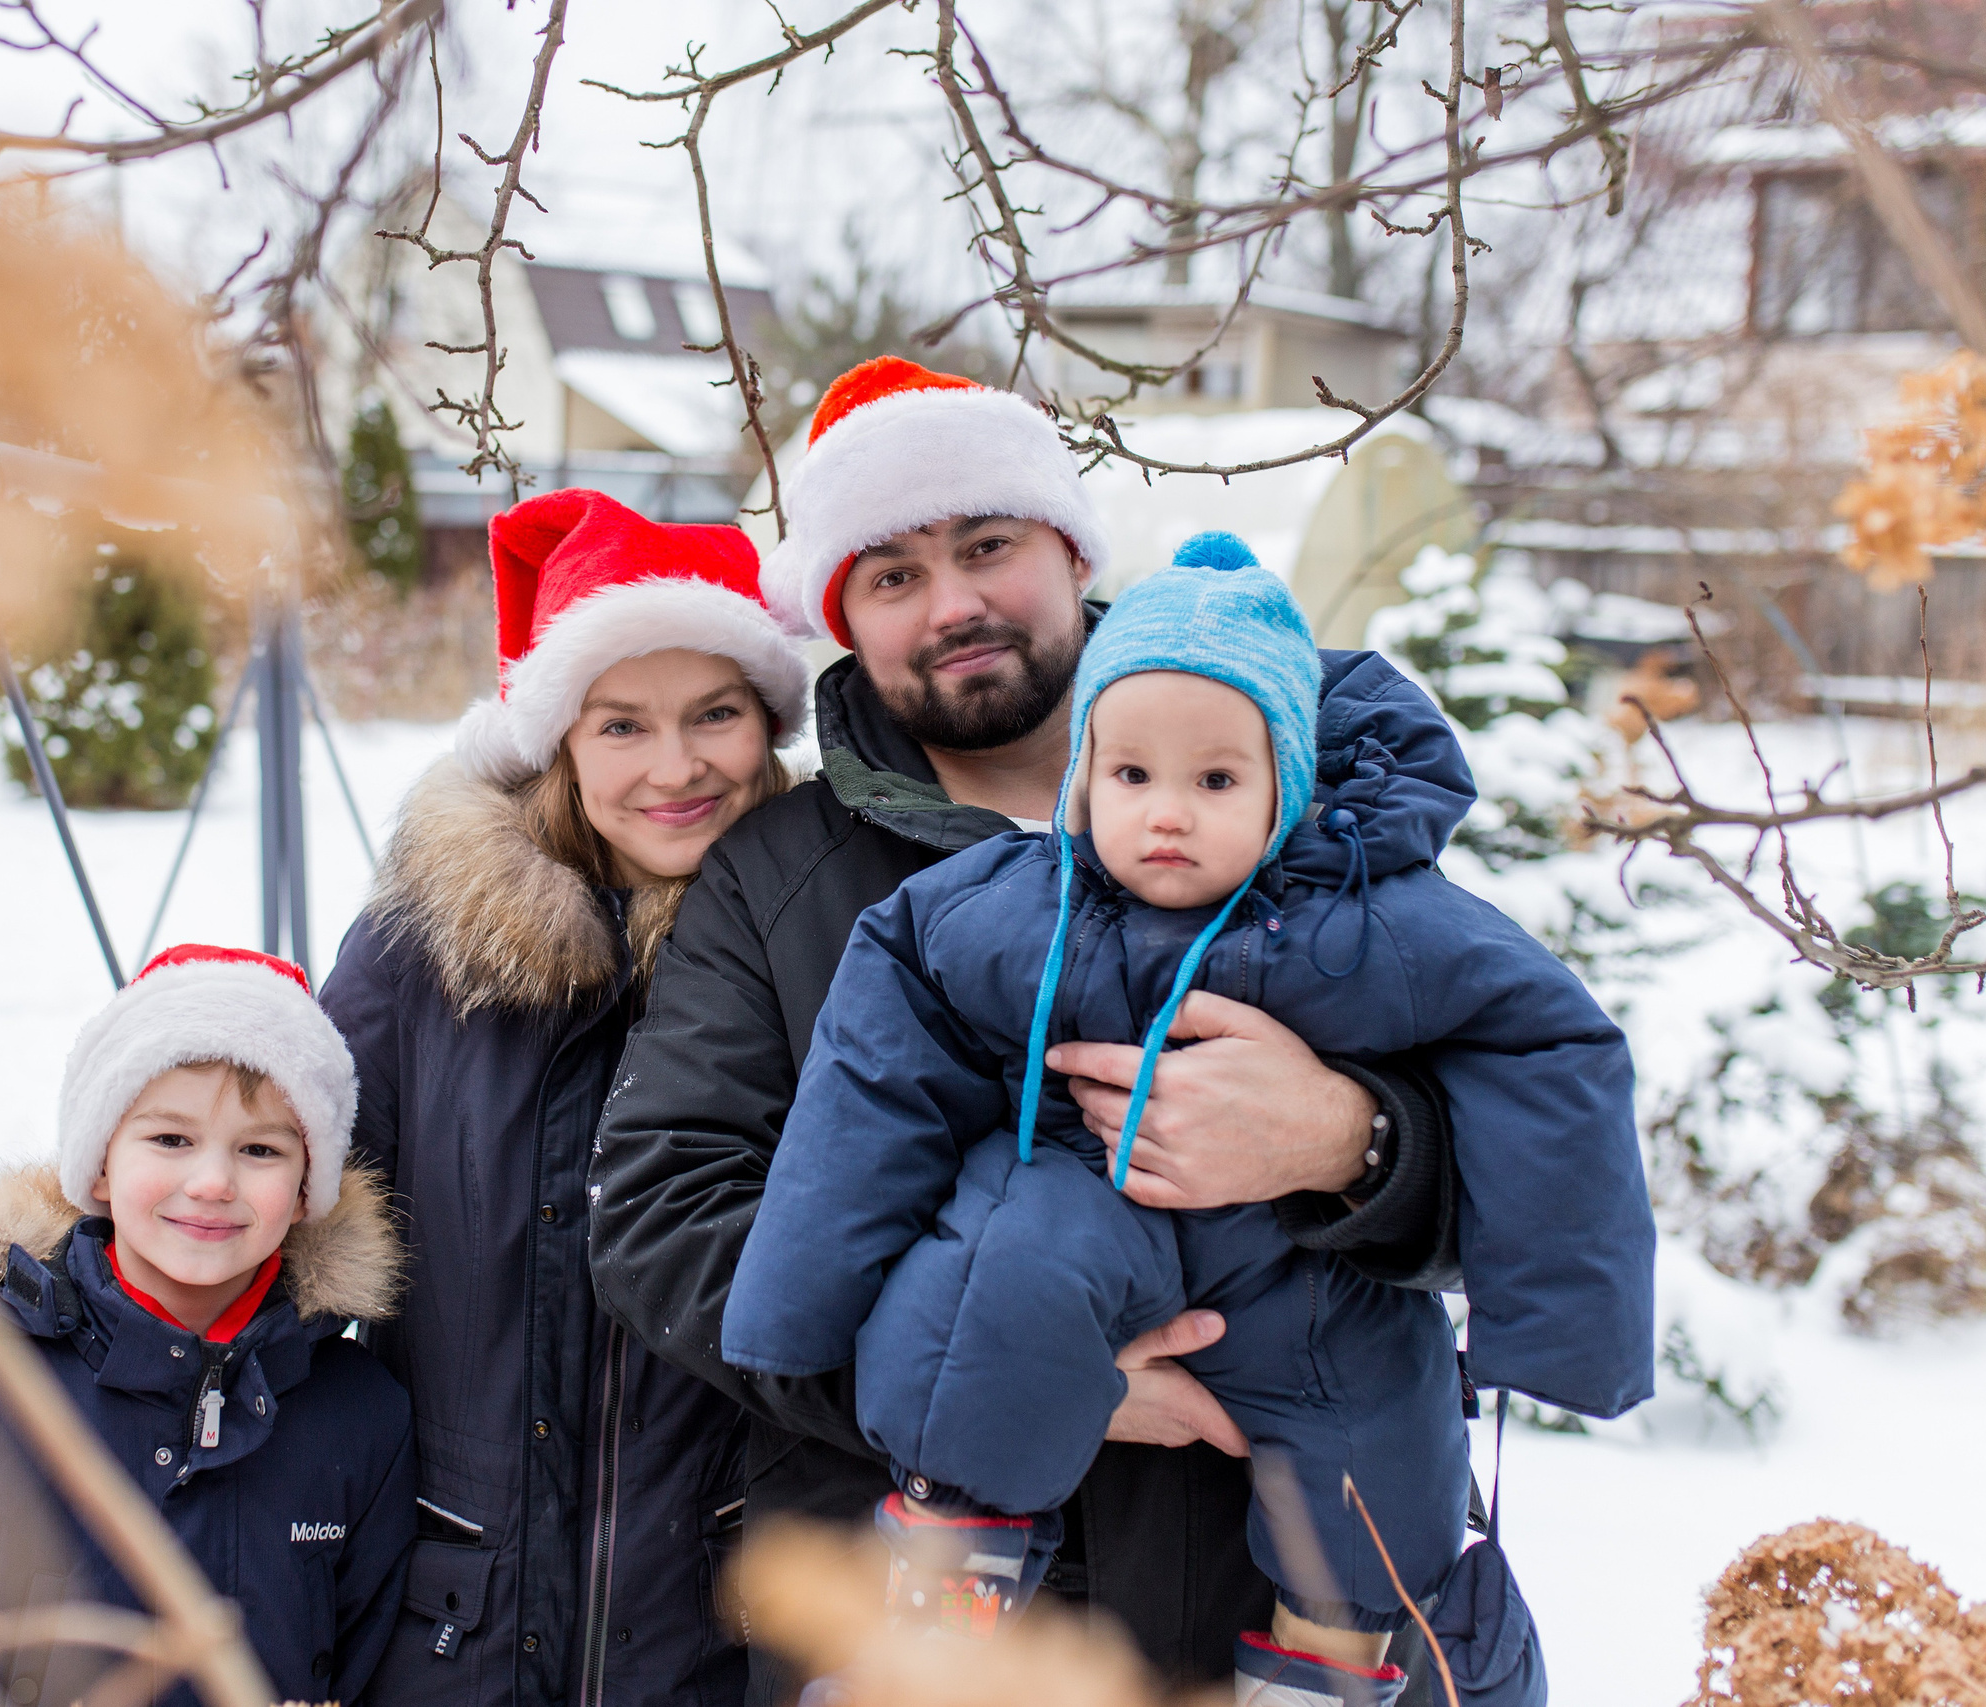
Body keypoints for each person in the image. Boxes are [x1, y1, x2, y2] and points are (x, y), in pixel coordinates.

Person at [589, 357, 1477, 1699]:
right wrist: (995, 1374)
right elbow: (664, 1209)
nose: (951, 603)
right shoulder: (778, 876)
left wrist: (1355, 1140)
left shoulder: (1308, 810)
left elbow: (1523, 1136)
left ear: (1069, 550)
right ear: (843, 619)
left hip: (1258, 1601)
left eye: (986, 545)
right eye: (892, 574)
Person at [724, 538, 1655, 1706]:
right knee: (989, 1284)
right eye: (1132, 777)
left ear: (1285, 787)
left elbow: (1547, 1044)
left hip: (1292, 1263)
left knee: (1381, 1400)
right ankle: (945, 1593)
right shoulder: (1017, 902)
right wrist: (799, 1300)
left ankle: (1325, 1657)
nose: (1167, 815)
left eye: (1215, 783)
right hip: (1076, 1198)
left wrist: (1557, 1322)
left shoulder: (1370, 922)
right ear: (1085, 781)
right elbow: (875, 1070)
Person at [317, 488, 815, 1707]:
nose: (676, 767)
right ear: (556, 744)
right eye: (621, 725)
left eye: (715, 714)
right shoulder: (424, 956)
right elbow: (298, 1215)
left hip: (722, 1634)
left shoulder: (832, 946)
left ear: (767, 724)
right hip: (455, 1634)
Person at [0, 943, 416, 1707]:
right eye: (171, 1139)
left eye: (260, 1149)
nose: (212, 1181)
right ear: (101, 1164)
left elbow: (376, 1667)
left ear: (307, 1185)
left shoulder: (363, 1416)